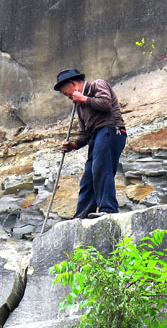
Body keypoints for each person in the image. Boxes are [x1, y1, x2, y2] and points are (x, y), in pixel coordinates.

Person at [54, 68, 127, 218]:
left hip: (110, 130)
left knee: (102, 169)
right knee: (88, 177)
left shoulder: (97, 85)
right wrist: (73, 145)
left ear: (73, 83)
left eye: (64, 91)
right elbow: (84, 132)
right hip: (96, 137)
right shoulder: (79, 106)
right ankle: (82, 215)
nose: (65, 95)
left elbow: (106, 104)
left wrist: (84, 99)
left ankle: (108, 209)